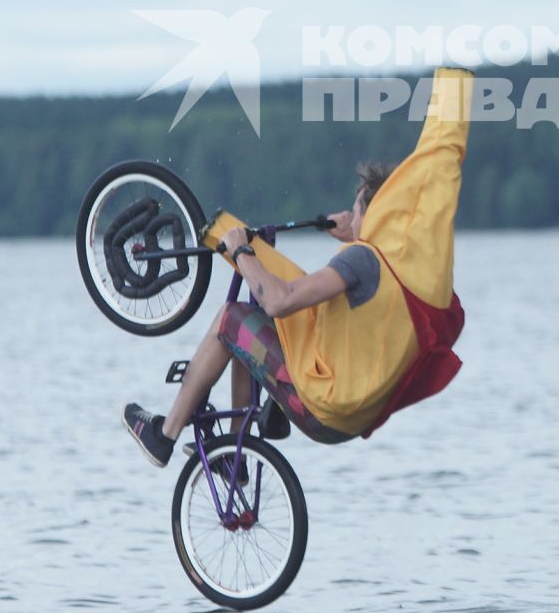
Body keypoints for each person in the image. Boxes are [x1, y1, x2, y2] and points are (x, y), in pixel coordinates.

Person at [123, 66, 472, 463]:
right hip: (352, 419)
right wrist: (356, 231)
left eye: (356, 206)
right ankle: (238, 453)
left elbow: (281, 299)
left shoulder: (361, 260)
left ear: (372, 213)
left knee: (231, 320)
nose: (349, 212)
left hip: (321, 406)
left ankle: (164, 435)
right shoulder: (407, 275)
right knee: (253, 329)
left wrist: (241, 252)